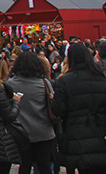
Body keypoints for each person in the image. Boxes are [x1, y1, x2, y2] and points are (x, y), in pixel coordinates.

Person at [51, 42, 106, 174]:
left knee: (85, 167)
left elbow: (59, 110)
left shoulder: (65, 81)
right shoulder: (101, 78)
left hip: (77, 132)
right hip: (100, 130)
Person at [8, 51, 55, 174]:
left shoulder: (10, 85)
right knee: (45, 166)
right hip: (44, 131)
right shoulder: (44, 83)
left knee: (24, 166)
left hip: (21, 133)